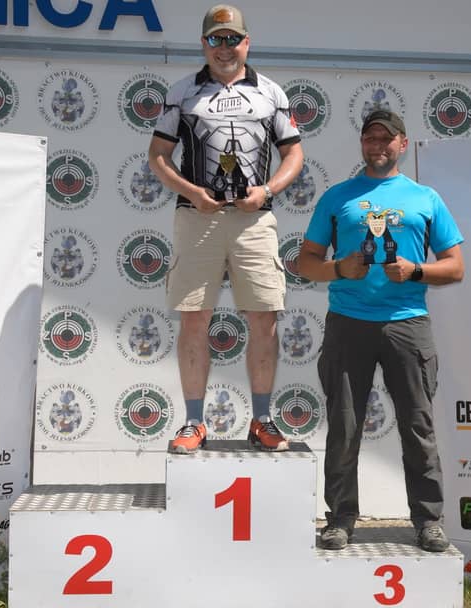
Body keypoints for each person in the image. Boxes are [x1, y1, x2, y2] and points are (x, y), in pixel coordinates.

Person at [297, 109, 465, 552]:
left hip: (408, 322)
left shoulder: (425, 198)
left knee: (418, 426)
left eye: (386, 139)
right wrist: (339, 268)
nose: (378, 146)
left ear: (402, 145)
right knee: (344, 426)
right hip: (348, 323)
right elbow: (305, 262)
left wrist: (415, 271)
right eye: (370, 138)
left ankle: (428, 520)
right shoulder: (337, 197)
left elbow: (455, 267)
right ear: (362, 144)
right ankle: (340, 518)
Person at [148, 4, 304, 454]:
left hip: (253, 218)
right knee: (194, 318)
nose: (225, 47)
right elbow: (158, 156)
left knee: (264, 318)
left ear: (246, 43)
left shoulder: (271, 92)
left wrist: (267, 190)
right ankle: (193, 423)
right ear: (204, 44)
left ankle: (262, 419)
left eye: (232, 39)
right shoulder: (182, 91)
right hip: (197, 216)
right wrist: (192, 192)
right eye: (216, 39)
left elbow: (294, 154)